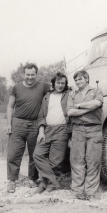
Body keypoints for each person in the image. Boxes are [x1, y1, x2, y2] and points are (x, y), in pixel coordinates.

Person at [6, 63, 51, 193]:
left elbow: (59, 86)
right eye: (27, 75)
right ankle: (12, 181)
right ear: (23, 74)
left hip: (35, 124)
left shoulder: (43, 86)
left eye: (32, 75)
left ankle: (32, 178)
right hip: (18, 123)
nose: (30, 77)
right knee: (14, 153)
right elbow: (10, 106)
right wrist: (9, 124)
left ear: (36, 74)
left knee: (34, 153)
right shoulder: (16, 88)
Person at [67, 70, 103, 200]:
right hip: (78, 130)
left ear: (87, 79)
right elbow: (70, 112)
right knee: (77, 161)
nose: (78, 82)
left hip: (94, 129)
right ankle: (78, 192)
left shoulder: (96, 90)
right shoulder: (72, 94)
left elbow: (97, 103)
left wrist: (79, 106)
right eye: (76, 80)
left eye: (80, 79)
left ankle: (91, 193)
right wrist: (88, 109)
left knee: (93, 161)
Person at [33, 73, 71, 194]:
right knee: (37, 155)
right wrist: (41, 131)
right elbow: (41, 116)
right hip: (47, 129)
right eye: (58, 83)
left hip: (62, 130)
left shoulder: (68, 95)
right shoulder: (47, 96)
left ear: (65, 85)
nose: (60, 85)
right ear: (53, 83)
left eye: (62, 83)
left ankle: (45, 184)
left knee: (56, 162)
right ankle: (53, 182)